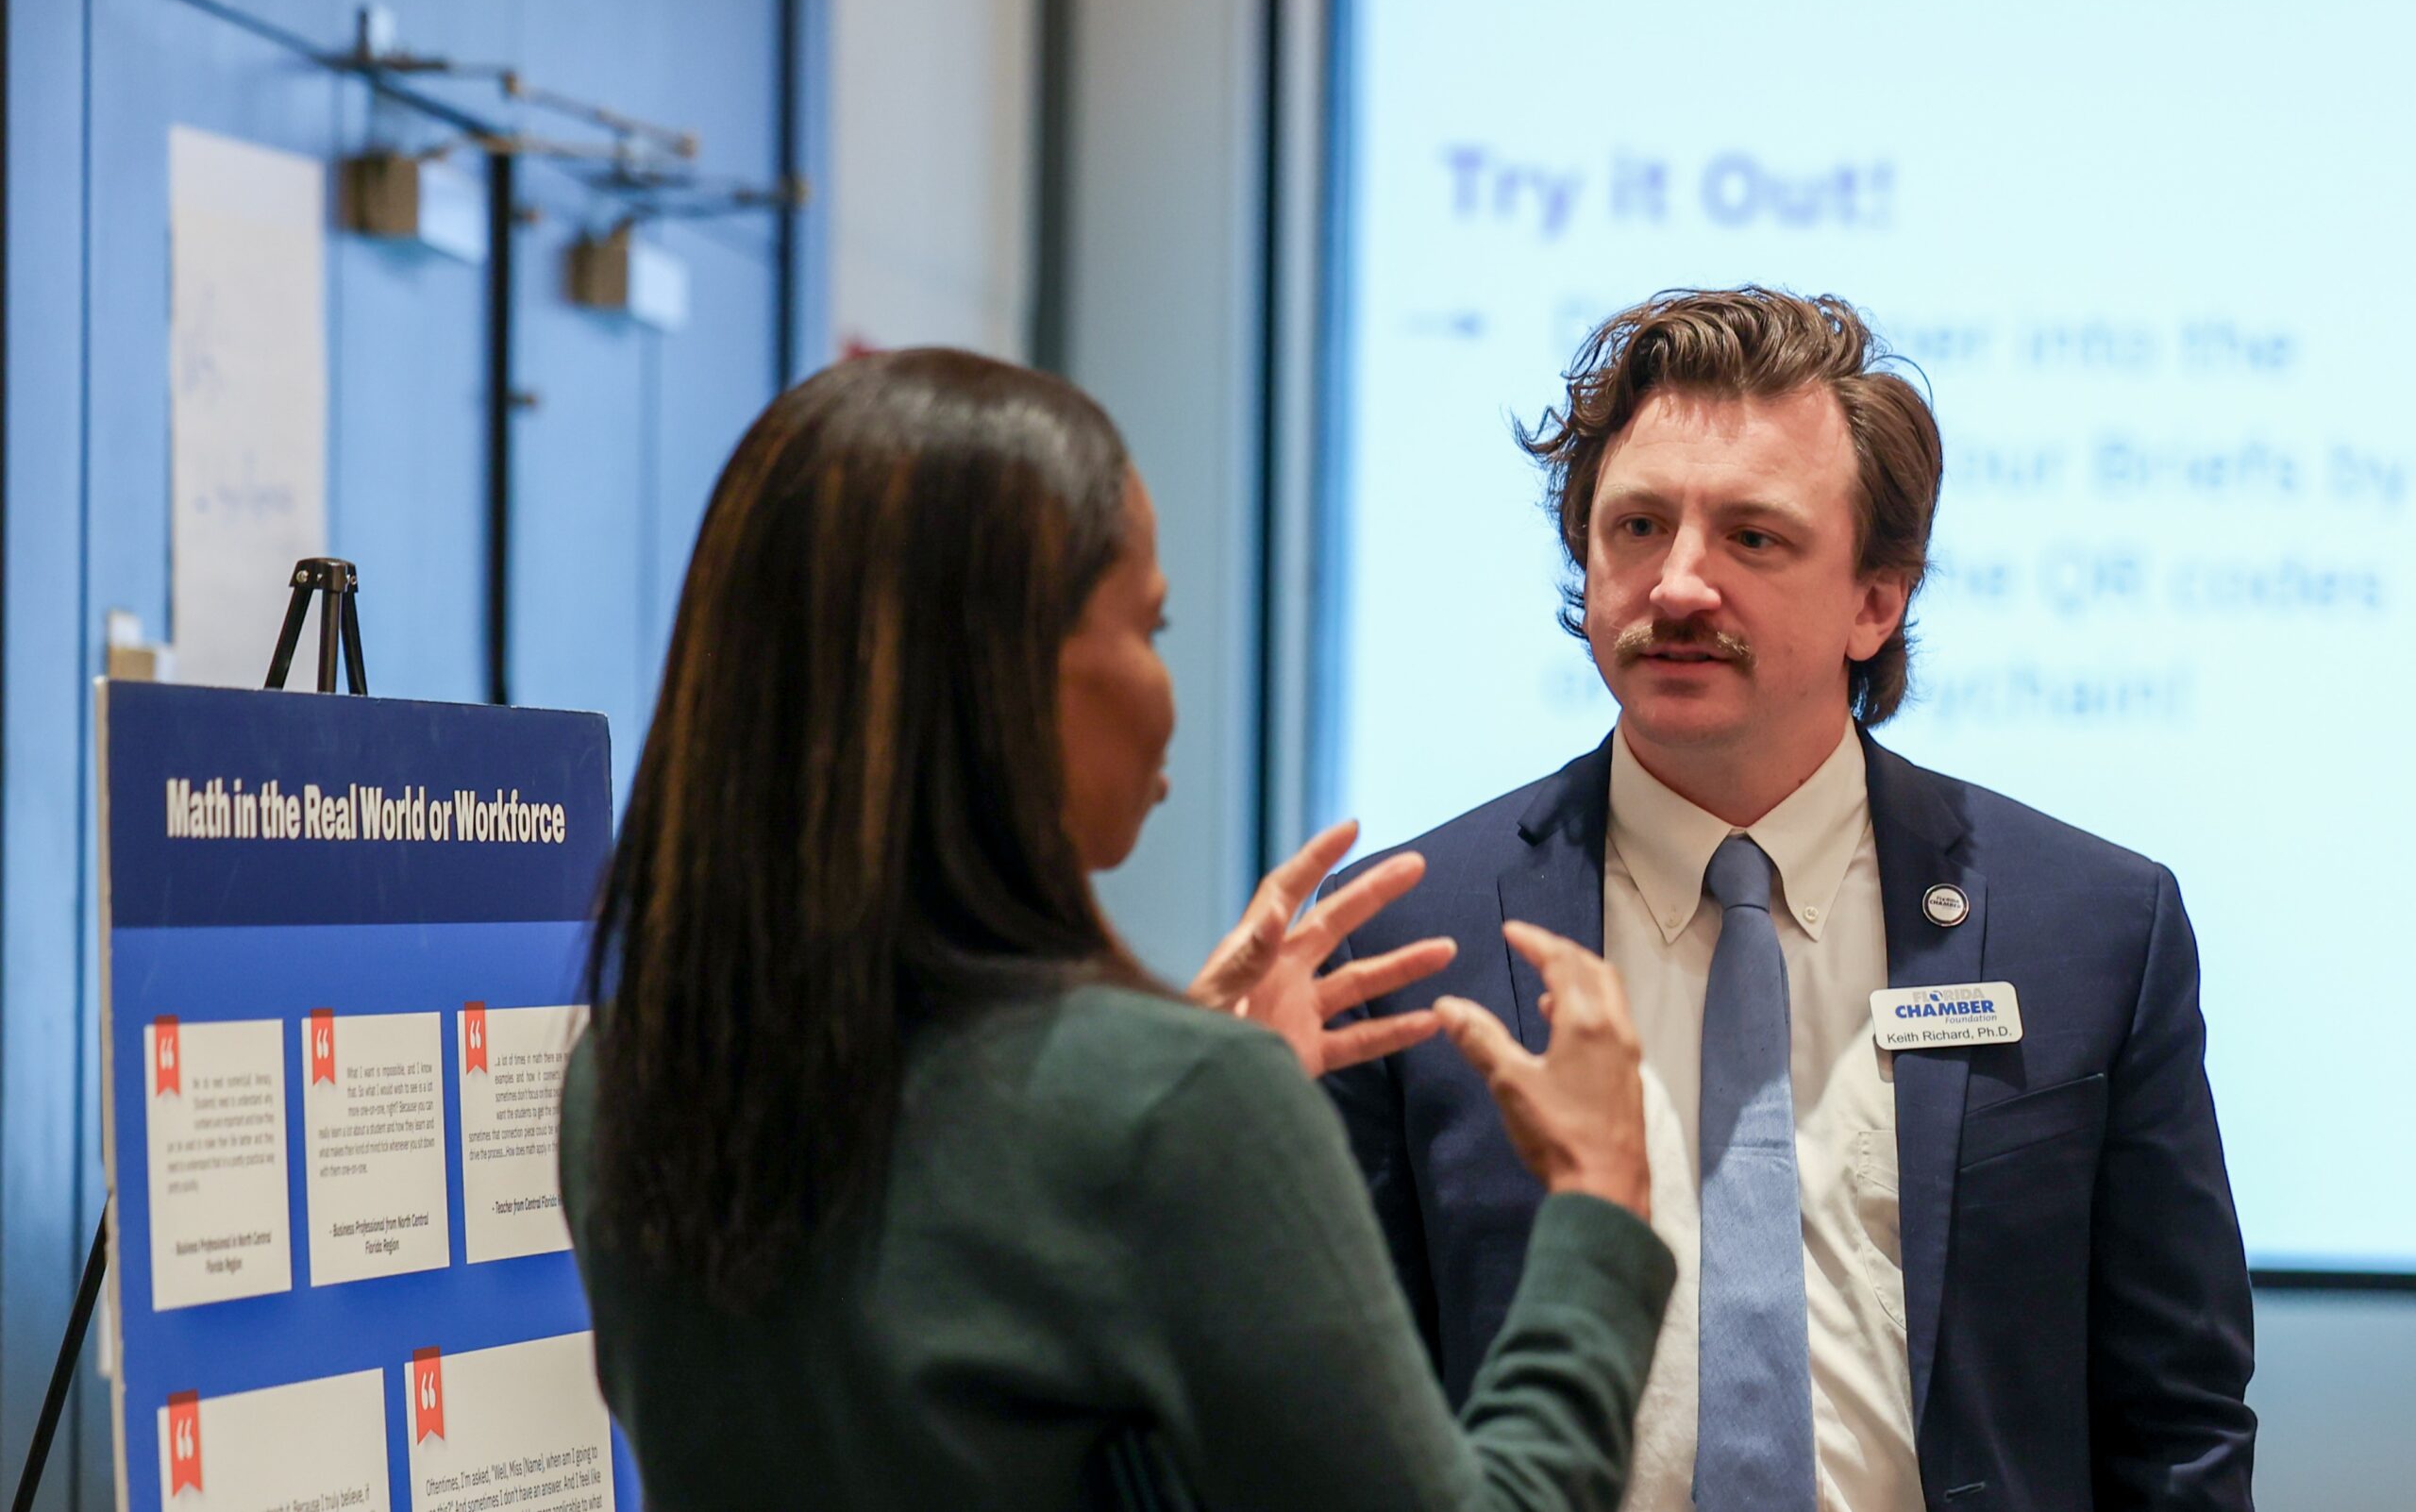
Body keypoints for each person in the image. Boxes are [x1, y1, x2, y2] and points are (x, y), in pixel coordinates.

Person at [558, 347, 1673, 1510]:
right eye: (1153, 625)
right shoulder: (1176, 1113)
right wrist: (1594, 1209)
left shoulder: (625, 1077)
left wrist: (1208, 1109)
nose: (1164, 690)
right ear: (1000, 680)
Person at [1320, 288, 2256, 1512]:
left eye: (1753, 537)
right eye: (1639, 526)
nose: (1681, 584)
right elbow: (1340, 1420)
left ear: (1879, 597)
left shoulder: (2090, 926)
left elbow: (2178, 1416)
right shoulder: (1408, 931)